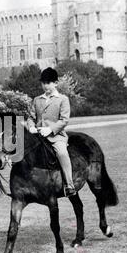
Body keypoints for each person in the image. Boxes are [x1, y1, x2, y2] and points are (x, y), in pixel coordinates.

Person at [27, 67, 76, 197]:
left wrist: (50, 129)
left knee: (62, 153)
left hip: (56, 136)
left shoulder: (63, 99)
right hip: (38, 136)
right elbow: (31, 118)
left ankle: (69, 185)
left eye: (48, 83)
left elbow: (64, 120)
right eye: (43, 83)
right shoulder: (37, 99)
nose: (45, 86)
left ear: (55, 83)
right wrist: (31, 126)